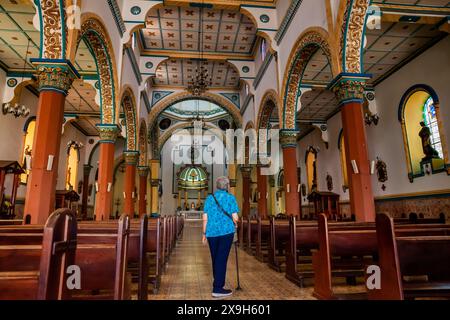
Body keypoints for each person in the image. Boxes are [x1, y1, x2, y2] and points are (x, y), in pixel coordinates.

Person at [202, 176, 239, 298]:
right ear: (227, 186)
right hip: (226, 232)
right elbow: (235, 217)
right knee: (221, 259)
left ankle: (218, 284)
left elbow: (205, 218)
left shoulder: (209, 198)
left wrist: (204, 234)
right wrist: (236, 222)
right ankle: (217, 288)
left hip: (211, 233)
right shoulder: (230, 198)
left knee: (216, 258)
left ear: (217, 186)